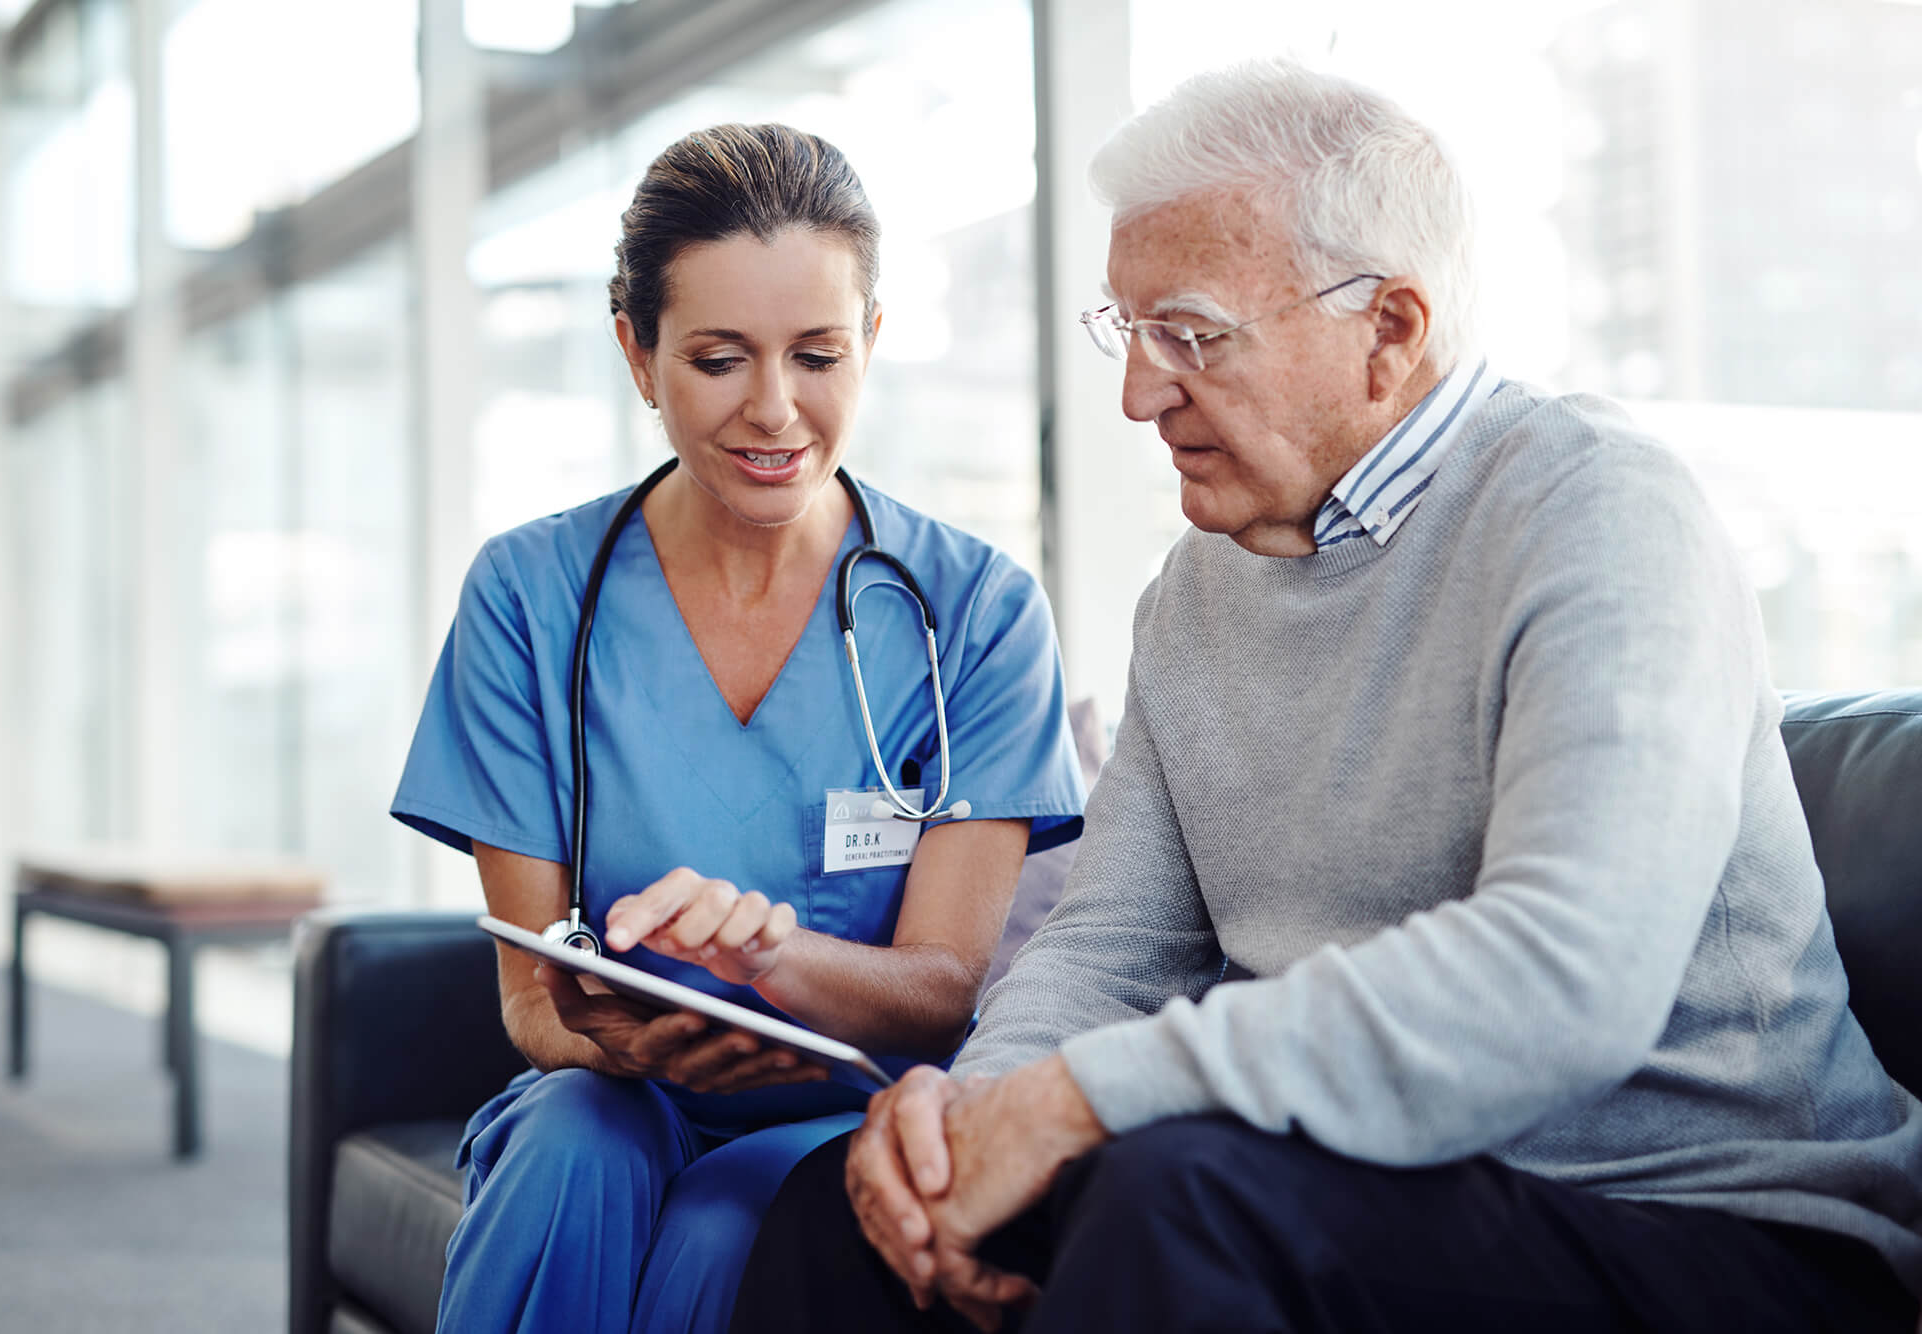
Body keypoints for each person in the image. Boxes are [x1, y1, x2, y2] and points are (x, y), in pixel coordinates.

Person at [730, 61, 1922, 1334]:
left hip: (1711, 1223)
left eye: (1187, 333)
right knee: (837, 1210)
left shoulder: (1598, 509)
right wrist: (975, 1118)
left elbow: (1566, 974)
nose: (1138, 392)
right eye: (1125, 332)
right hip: (1360, 1191)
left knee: (1175, 1198)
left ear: (1388, 329)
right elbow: (1110, 945)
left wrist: (1081, 1100)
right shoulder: (1191, 594)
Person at [390, 122, 1086, 1334]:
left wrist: (765, 966)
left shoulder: (974, 611)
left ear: (870, 341)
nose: (775, 411)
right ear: (636, 352)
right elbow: (531, 1000)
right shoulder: (528, 595)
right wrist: (609, 1035)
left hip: (850, 1103)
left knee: (726, 1221)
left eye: (817, 354)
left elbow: (941, 990)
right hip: (612, 1093)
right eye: (718, 358)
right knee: (569, 1148)